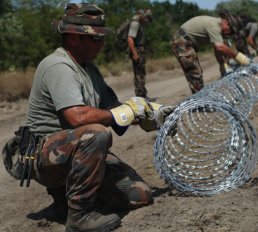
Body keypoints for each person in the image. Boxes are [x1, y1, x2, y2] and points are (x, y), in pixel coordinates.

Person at [1, 3, 175, 232]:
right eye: (95, 38)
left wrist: (145, 112)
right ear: (73, 38)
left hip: (73, 150)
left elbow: (113, 108)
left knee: (140, 195)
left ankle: (65, 200)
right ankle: (79, 215)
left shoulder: (89, 69)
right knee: (97, 133)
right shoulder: (58, 66)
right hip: (42, 155)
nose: (101, 43)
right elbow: (77, 117)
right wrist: (123, 113)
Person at [170, 11, 251, 94]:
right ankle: (199, 101)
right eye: (231, 31)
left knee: (196, 72)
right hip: (180, 41)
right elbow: (220, 47)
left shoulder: (217, 26)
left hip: (185, 41)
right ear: (226, 22)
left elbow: (217, 50)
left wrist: (222, 65)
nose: (229, 34)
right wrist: (242, 58)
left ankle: (200, 98)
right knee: (194, 72)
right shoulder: (214, 26)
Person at [127, 8, 157, 101]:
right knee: (139, 74)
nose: (147, 21)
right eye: (147, 18)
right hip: (137, 50)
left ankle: (143, 95)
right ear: (142, 16)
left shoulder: (139, 23)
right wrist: (135, 54)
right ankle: (141, 96)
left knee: (141, 73)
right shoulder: (135, 23)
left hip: (140, 50)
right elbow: (130, 39)